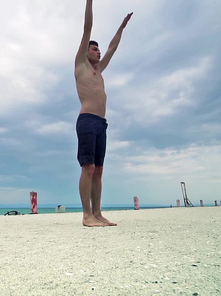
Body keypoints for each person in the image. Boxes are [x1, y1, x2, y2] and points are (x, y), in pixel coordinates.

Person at [75, 0, 132, 227]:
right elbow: (87, 28)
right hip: (87, 120)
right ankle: (86, 215)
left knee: (98, 170)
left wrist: (122, 27)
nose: (98, 52)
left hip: (101, 123)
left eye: (98, 49)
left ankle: (98, 214)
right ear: (86, 51)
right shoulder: (81, 64)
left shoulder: (99, 70)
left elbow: (112, 48)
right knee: (87, 168)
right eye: (94, 49)